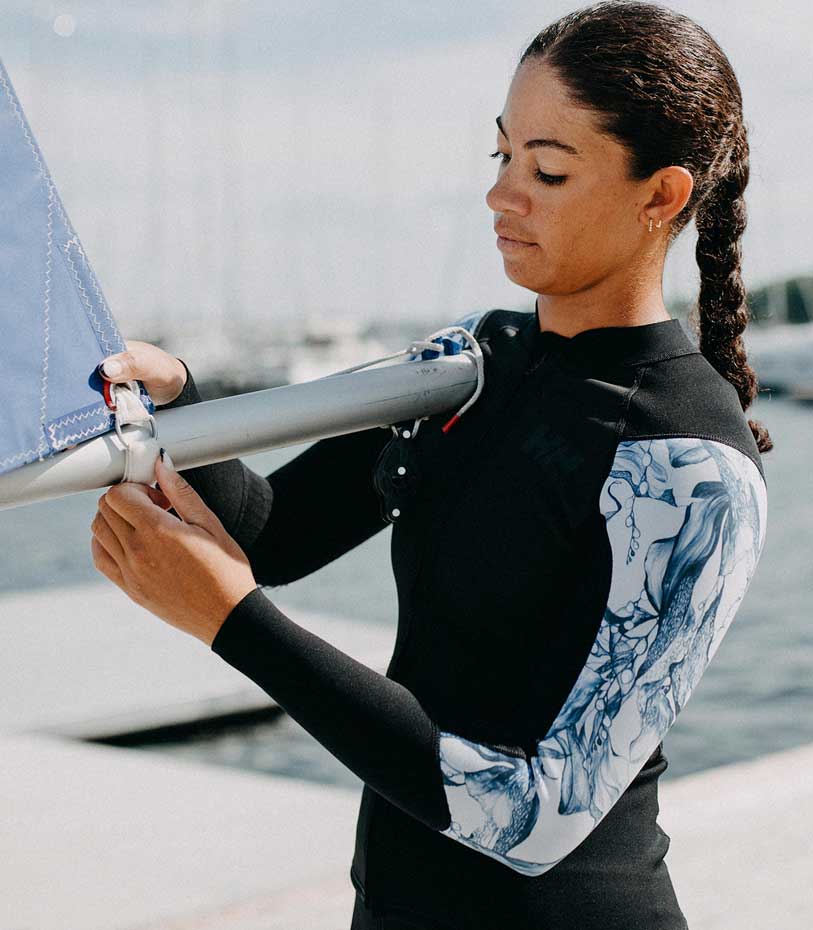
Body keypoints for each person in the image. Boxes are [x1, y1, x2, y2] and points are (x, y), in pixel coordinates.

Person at [90, 2, 772, 927]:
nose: (503, 194)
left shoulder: (691, 464)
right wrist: (180, 399)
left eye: (549, 169)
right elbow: (276, 535)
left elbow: (538, 815)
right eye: (502, 156)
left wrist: (234, 625)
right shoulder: (472, 364)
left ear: (662, 197)